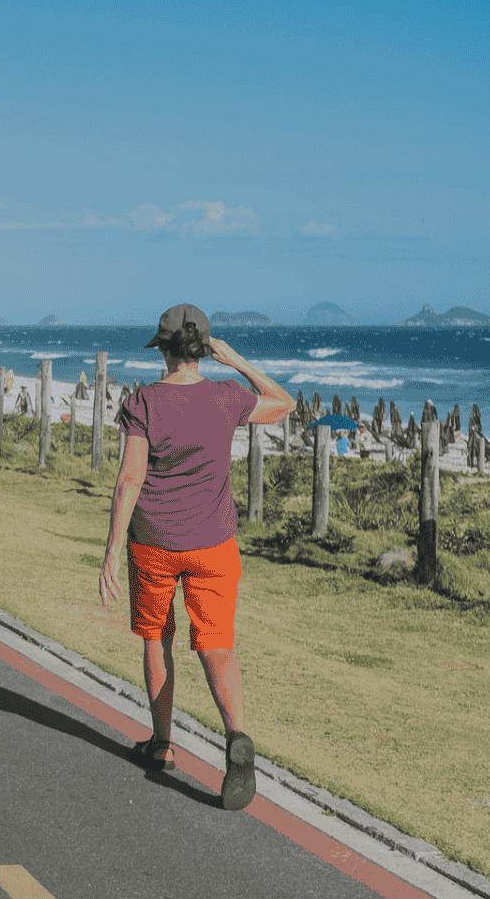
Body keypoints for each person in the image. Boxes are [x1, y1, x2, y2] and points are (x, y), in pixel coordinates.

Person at [98, 304, 294, 811]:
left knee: (156, 638)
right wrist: (239, 362)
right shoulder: (227, 396)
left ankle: (162, 744)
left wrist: (111, 551)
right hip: (214, 545)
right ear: (204, 349)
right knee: (217, 645)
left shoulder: (142, 402)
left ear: (162, 348)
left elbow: (129, 480)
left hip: (154, 543)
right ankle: (236, 737)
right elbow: (284, 403)